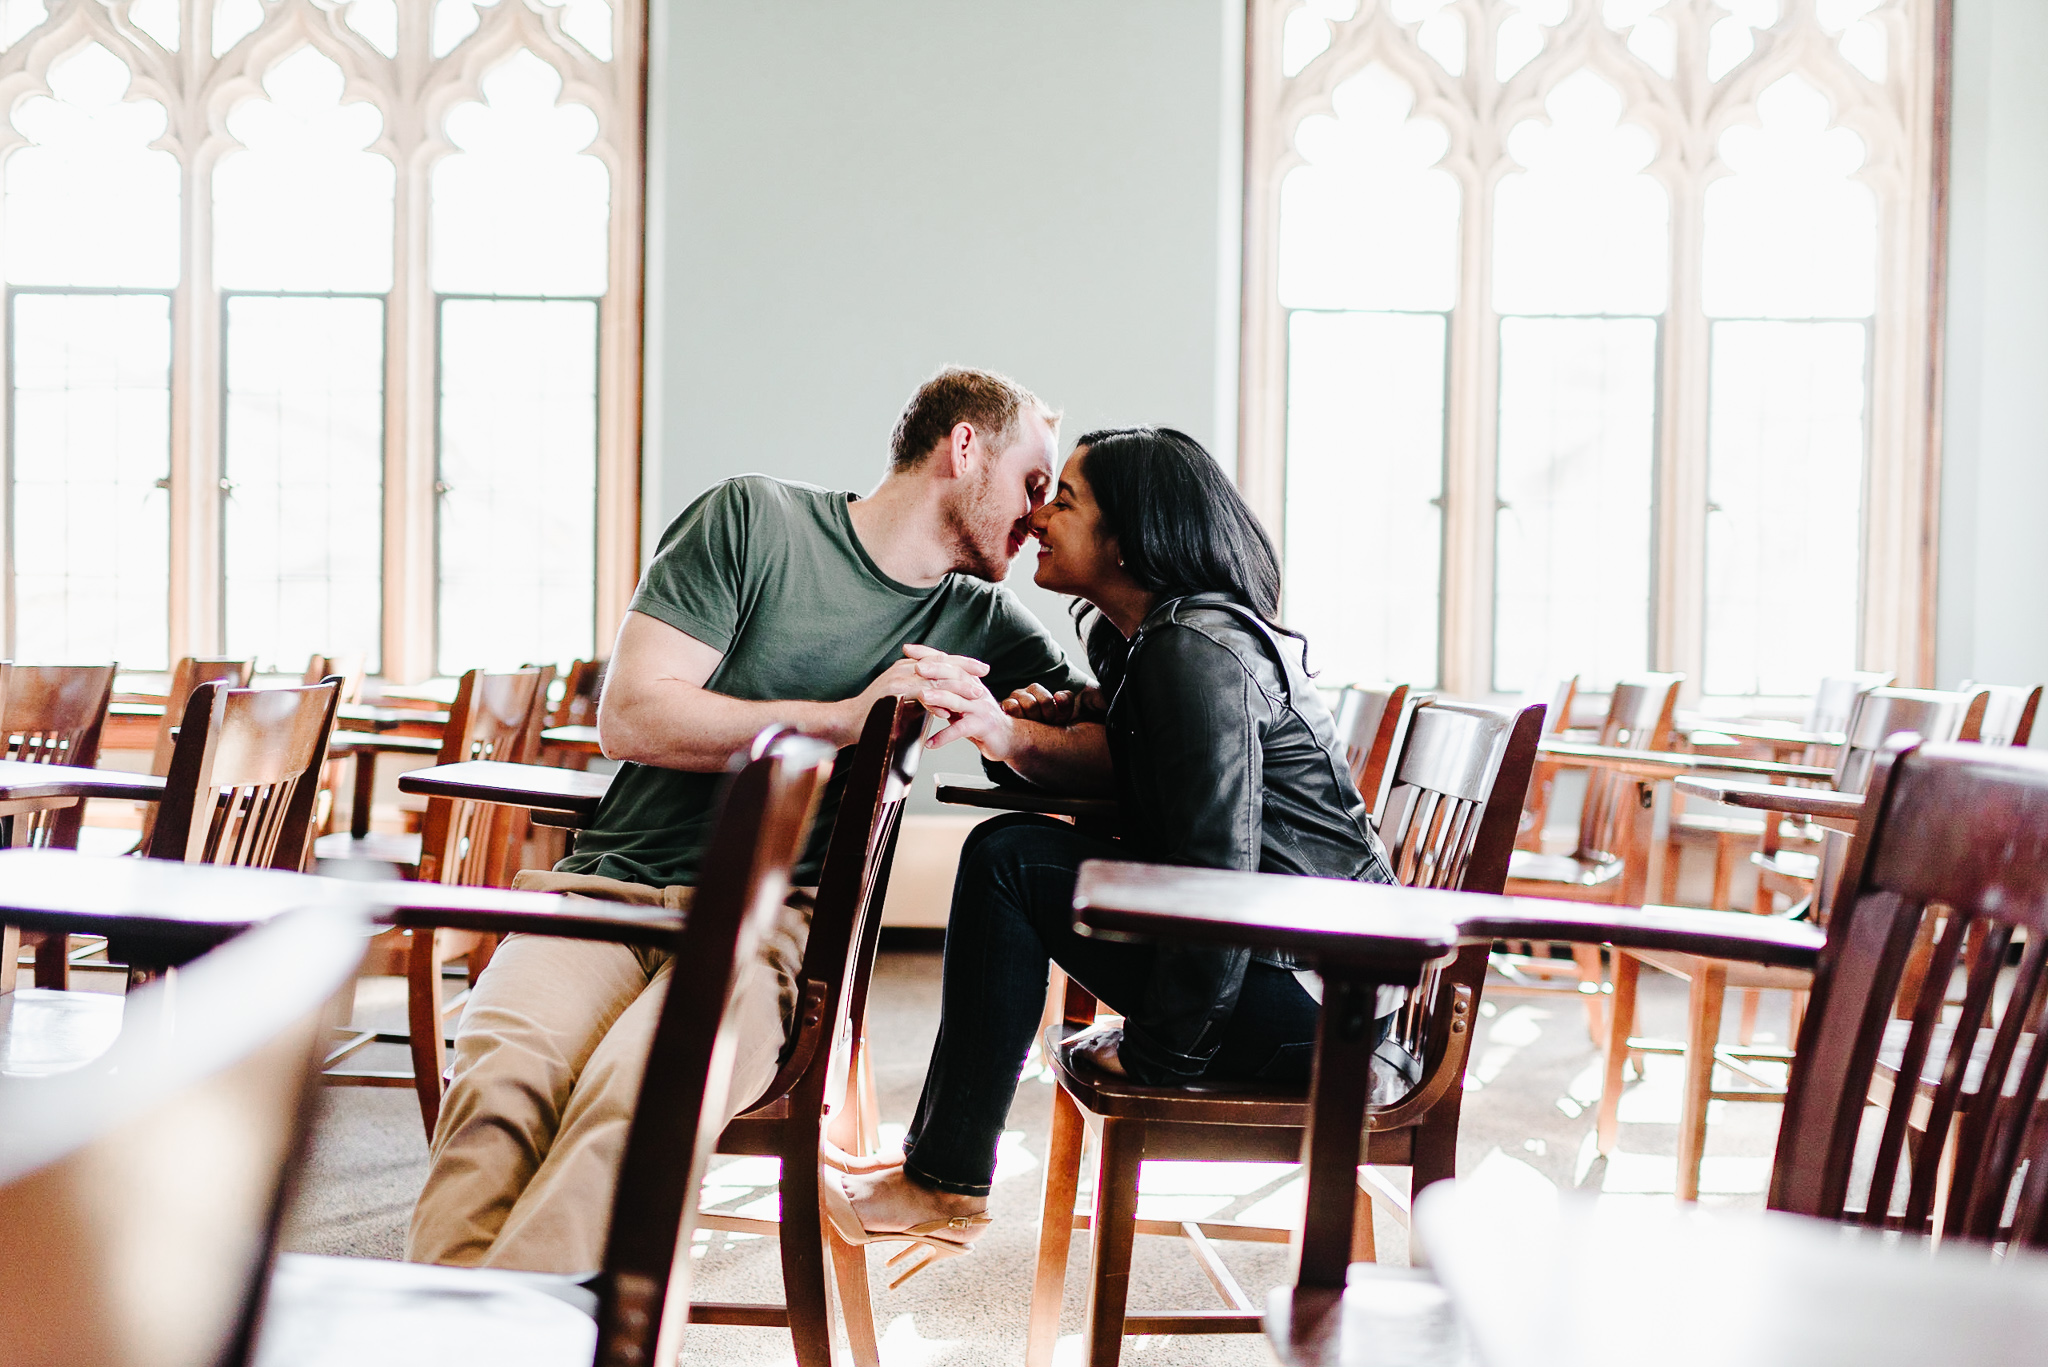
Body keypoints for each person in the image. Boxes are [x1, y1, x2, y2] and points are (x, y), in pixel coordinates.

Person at [406, 367, 1105, 1272]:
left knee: (639, 1097)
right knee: (501, 1079)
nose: (1040, 514)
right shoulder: (751, 519)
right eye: (1033, 482)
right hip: (604, 892)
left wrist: (1012, 728)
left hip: (769, 929)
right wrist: (843, 718)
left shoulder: (981, 620)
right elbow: (632, 715)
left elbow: (1100, 747)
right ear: (963, 446)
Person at [822, 425, 1396, 1272]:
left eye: (1068, 500)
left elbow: (1218, 874)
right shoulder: (1175, 640)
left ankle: (943, 1180)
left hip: (1308, 998)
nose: (1040, 516)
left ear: (1130, 537)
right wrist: (1057, 718)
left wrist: (1165, 1051)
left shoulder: (1194, 652)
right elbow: (1161, 793)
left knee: (1008, 862)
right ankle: (938, 1172)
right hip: (1313, 976)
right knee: (1012, 853)